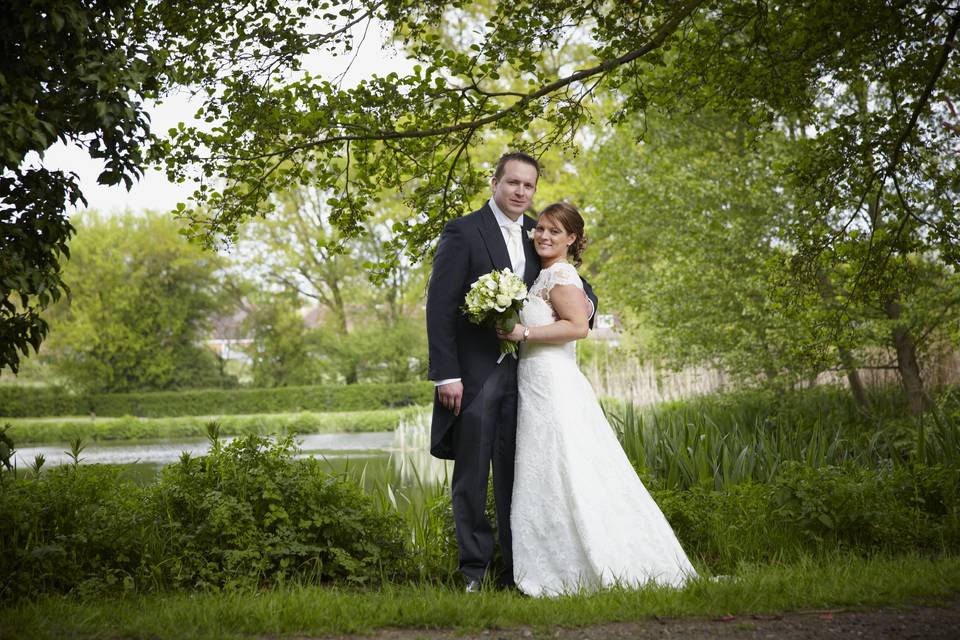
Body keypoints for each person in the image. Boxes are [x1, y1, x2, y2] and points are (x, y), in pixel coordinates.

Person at [498, 202, 697, 597]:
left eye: (555, 231)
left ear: (571, 239)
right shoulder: (541, 276)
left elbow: (578, 328)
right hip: (535, 382)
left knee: (568, 466)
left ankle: (588, 562)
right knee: (546, 469)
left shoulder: (562, 275)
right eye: (540, 229)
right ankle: (550, 558)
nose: (543, 236)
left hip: (555, 383)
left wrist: (523, 334)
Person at [426, 153, 598, 592]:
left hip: (527, 378)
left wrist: (588, 309)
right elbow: (440, 307)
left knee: (517, 476)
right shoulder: (462, 232)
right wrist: (446, 375)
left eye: (529, 186)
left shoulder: (535, 233)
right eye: (513, 183)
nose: (521, 192)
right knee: (471, 475)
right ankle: (473, 573)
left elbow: (573, 282)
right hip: (476, 375)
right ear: (495, 182)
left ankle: (516, 571)